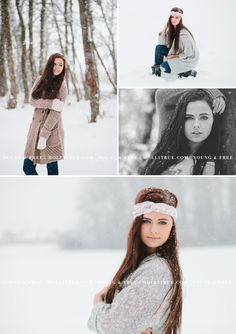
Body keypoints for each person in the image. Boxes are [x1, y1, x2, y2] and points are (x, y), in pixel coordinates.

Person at [88, 187, 182, 334]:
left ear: (172, 227)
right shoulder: (144, 264)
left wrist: (98, 303)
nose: (154, 230)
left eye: (162, 222)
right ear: (137, 224)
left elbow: (114, 327)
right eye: (146, 221)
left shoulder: (156, 271)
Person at [141, 89, 226, 175]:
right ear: (180, 120)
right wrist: (209, 90)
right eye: (188, 118)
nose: (196, 125)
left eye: (204, 117)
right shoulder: (166, 147)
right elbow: (161, 95)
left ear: (213, 120)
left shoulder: (207, 167)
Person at [23, 53, 68, 175]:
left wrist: (44, 135)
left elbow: (56, 113)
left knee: (52, 169)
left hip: (51, 131)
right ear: (50, 64)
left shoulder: (62, 85)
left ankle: (52, 190)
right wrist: (50, 103)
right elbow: (32, 100)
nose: (57, 67)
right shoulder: (40, 79)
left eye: (61, 65)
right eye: (55, 64)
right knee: (27, 167)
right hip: (35, 130)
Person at [151, 7, 199, 78]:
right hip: (177, 53)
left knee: (164, 68)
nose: (174, 19)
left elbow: (188, 53)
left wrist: (174, 56)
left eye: (177, 17)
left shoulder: (184, 35)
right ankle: (157, 68)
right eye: (172, 17)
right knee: (159, 48)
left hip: (187, 59)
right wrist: (165, 27)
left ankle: (187, 71)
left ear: (180, 19)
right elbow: (161, 42)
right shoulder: (172, 30)